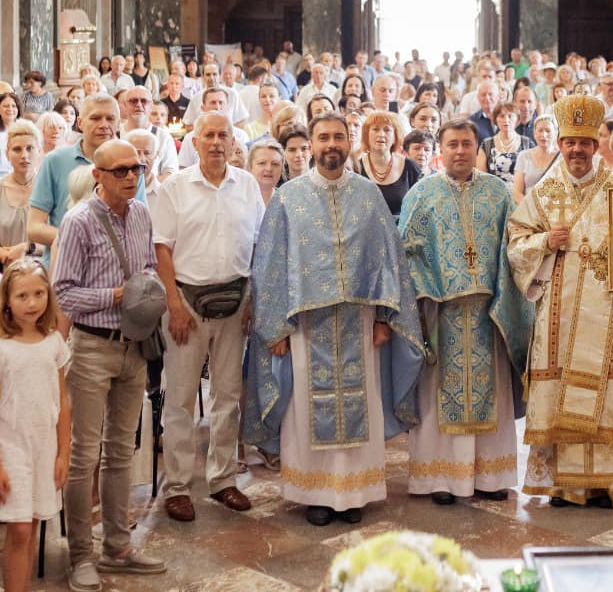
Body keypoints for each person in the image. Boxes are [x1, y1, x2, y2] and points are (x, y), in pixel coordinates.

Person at [242, 113, 425, 526]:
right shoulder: (289, 197)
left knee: (360, 404)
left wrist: (384, 317)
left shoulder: (367, 194)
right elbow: (270, 265)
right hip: (307, 325)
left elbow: (387, 260)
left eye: (338, 137)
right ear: (311, 144)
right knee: (308, 407)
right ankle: (316, 494)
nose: (331, 144)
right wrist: (275, 327)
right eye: (323, 137)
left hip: (359, 323)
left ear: (348, 143)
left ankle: (355, 491)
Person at [506, 96, 613, 505]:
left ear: (596, 145)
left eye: (584, 143)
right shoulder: (545, 191)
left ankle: (606, 484)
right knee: (562, 388)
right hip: (559, 313)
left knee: (606, 395)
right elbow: (516, 240)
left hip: (608, 309)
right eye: (569, 142)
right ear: (562, 143)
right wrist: (544, 242)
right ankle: (563, 483)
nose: (576, 150)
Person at [49, 140, 166, 588]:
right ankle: (81, 554)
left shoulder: (141, 214)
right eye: (119, 171)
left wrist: (149, 287)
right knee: (83, 456)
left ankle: (117, 546)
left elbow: (149, 264)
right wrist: (116, 296)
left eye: (135, 168)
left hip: (134, 347)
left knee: (122, 451)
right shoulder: (78, 222)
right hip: (93, 346)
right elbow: (63, 293)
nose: (130, 177)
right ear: (97, 174)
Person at [399, 118, 534, 505]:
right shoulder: (422, 194)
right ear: (441, 149)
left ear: (479, 149)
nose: (460, 150)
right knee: (438, 396)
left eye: (466, 143)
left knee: (492, 395)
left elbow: (517, 244)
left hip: (490, 314)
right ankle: (442, 478)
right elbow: (406, 251)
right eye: (452, 144)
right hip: (440, 314)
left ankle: (491, 477)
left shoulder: (499, 193)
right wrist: (430, 290)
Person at [150, 114, 261, 522]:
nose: (216, 142)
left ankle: (223, 480)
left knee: (228, 396)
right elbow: (161, 249)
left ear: (234, 142)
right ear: (194, 142)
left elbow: (257, 246)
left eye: (223, 135)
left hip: (236, 300)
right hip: (186, 304)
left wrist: (253, 298)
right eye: (209, 135)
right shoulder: (175, 188)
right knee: (179, 399)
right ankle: (177, 486)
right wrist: (174, 305)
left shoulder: (247, 185)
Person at [0, 259, 69, 592]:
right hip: (9, 448)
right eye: (22, 296)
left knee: (31, 523)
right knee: (19, 530)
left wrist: (63, 454)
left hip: (43, 446)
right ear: (7, 301)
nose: (32, 303)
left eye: (39, 294)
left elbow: (63, 402)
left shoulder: (53, 341)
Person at [29, 93, 141, 253]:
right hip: (64, 260)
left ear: (118, 123)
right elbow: (34, 227)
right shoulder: (55, 161)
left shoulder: (131, 164)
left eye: (110, 119)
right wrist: (79, 239)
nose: (104, 125)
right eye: (95, 118)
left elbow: (138, 223)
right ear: (80, 122)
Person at [0, 122, 43, 270]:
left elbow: (60, 240)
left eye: (30, 148)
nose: (24, 155)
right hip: (2, 270)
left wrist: (27, 248)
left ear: (40, 151)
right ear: (7, 154)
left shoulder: (50, 189)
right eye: (17, 149)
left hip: (41, 271)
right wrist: (2, 254)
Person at [353, 111, 423, 219]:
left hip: (401, 233)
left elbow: (420, 208)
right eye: (375, 129)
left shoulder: (410, 167)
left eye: (387, 130)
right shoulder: (356, 168)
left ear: (395, 137)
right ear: (367, 134)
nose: (381, 134)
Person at [117, 86, 179, 182]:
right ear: (125, 105)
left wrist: (146, 187)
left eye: (144, 101)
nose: (139, 105)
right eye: (133, 101)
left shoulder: (163, 136)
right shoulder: (116, 134)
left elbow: (171, 172)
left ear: (151, 106)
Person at [476, 103, 529, 187]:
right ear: (495, 120)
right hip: (493, 196)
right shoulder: (486, 145)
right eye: (501, 116)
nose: (506, 120)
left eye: (510, 116)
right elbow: (481, 178)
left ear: (518, 120)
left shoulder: (527, 144)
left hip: (520, 195)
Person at [512, 115, 559, 202]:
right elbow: (517, 192)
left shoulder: (562, 157)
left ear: (555, 133)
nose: (543, 135)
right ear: (534, 133)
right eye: (540, 130)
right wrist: (530, 209)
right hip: (528, 208)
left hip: (555, 209)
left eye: (548, 131)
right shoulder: (523, 156)